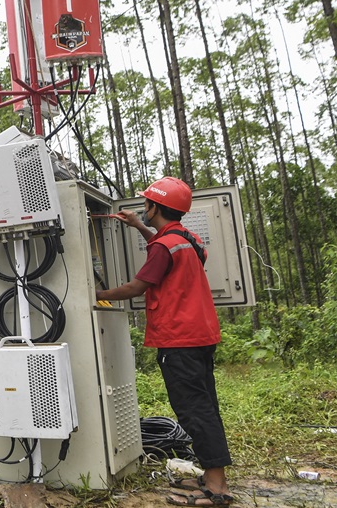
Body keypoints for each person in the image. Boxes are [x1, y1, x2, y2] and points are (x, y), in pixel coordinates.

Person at [95, 177, 233, 507]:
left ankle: (217, 487)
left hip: (178, 338)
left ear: (155, 207)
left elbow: (135, 288)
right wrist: (136, 226)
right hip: (200, 335)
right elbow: (163, 244)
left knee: (195, 411)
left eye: (145, 204)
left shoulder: (163, 246)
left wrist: (92, 294)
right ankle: (212, 476)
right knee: (205, 405)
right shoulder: (188, 239)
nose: (143, 208)